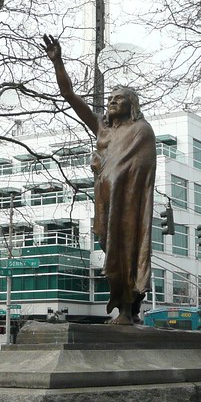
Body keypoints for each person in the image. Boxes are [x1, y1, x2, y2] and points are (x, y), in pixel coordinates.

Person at [43, 34, 156, 325]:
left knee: (127, 250)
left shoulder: (142, 130)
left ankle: (128, 310)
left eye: (118, 99)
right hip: (106, 202)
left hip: (129, 204)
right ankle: (125, 310)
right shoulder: (102, 129)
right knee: (111, 250)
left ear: (131, 104)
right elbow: (70, 96)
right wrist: (58, 62)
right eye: (110, 99)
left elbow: (139, 170)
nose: (111, 102)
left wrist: (113, 174)